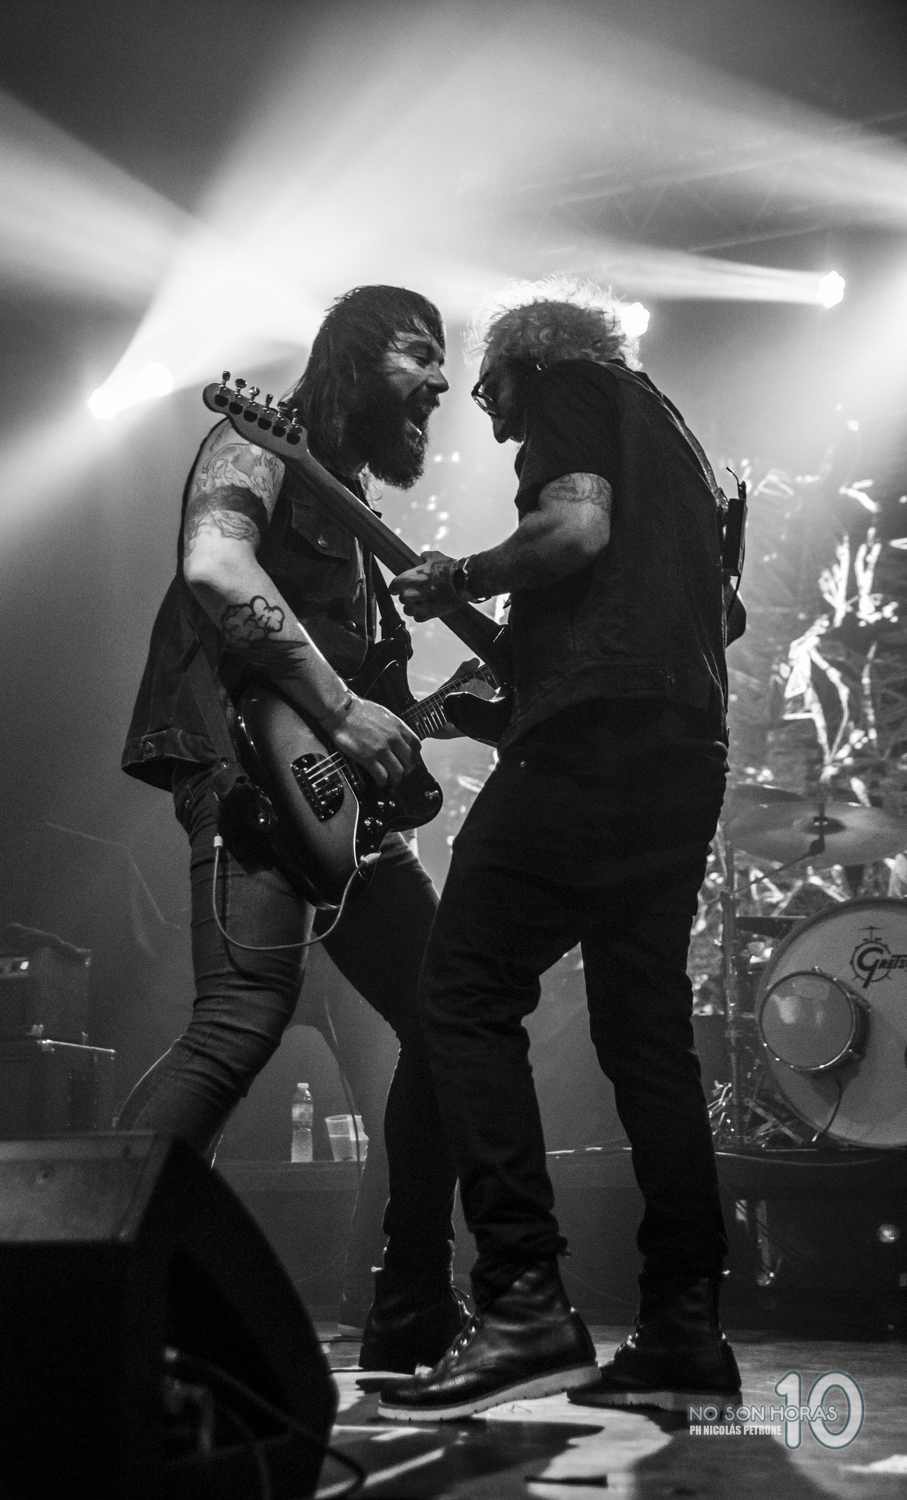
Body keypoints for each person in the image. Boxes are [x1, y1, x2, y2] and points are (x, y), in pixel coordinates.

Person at [380, 277, 745, 1420]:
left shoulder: (573, 391)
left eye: (489, 390)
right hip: (682, 749)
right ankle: (683, 1329)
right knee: (646, 1036)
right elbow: (712, 616)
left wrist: (460, 576)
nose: (489, 418)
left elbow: (573, 531)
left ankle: (522, 1302)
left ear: (524, 360)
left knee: (460, 992)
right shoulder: (679, 448)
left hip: (593, 746)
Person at [118, 285, 466, 1371]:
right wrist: (344, 711)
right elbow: (217, 567)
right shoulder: (256, 441)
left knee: (453, 1019)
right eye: (420, 352)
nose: (442, 381)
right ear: (356, 356)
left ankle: (405, 1299)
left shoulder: (351, 508)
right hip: (248, 776)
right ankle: (85, 1273)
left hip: (343, 815)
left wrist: (423, 719)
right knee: (237, 1026)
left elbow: (371, 693)